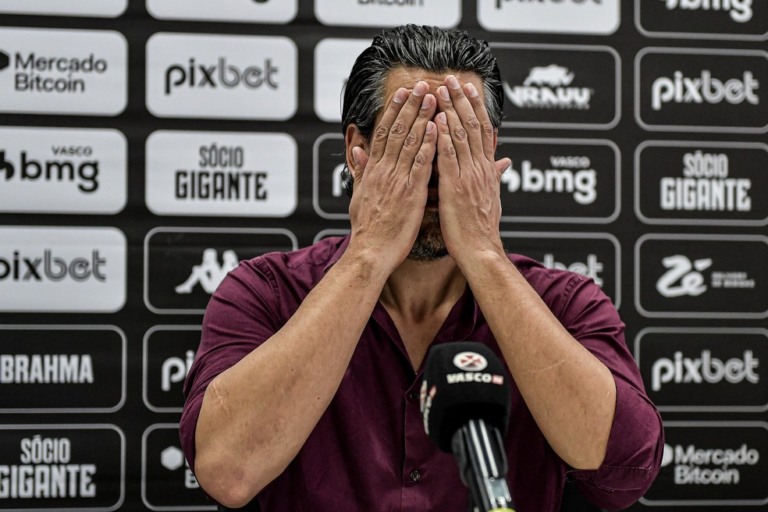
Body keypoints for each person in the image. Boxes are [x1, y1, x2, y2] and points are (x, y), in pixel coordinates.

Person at [181, 25, 663, 512]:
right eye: (411, 137)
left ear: (490, 148)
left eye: (459, 139)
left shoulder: (564, 304)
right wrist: (368, 254)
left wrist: (485, 255)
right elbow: (227, 471)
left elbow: (622, 471)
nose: (436, 167)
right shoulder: (266, 293)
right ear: (357, 151)